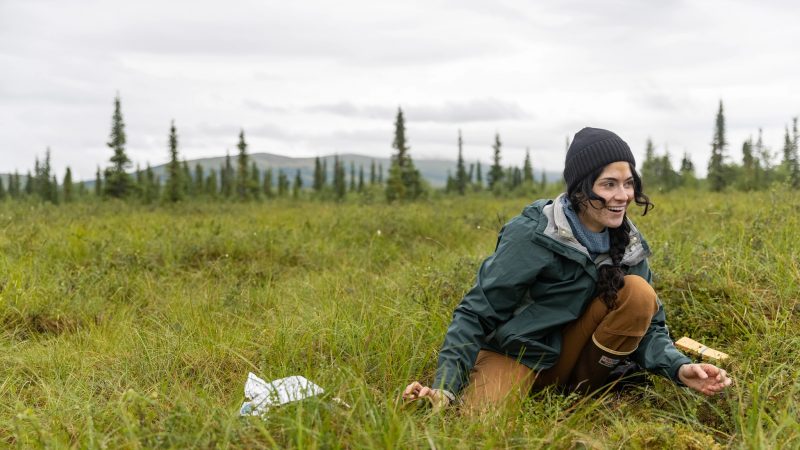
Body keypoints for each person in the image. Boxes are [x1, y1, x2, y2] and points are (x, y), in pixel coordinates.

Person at [403, 127, 732, 412]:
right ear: (581, 189)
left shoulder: (628, 244)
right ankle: (450, 398)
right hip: (518, 354)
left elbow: (650, 328)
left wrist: (679, 368)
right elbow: (475, 312)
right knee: (480, 427)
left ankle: (579, 396)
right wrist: (445, 386)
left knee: (638, 294)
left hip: (576, 362)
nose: (623, 196)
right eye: (609, 185)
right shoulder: (534, 234)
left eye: (628, 184)